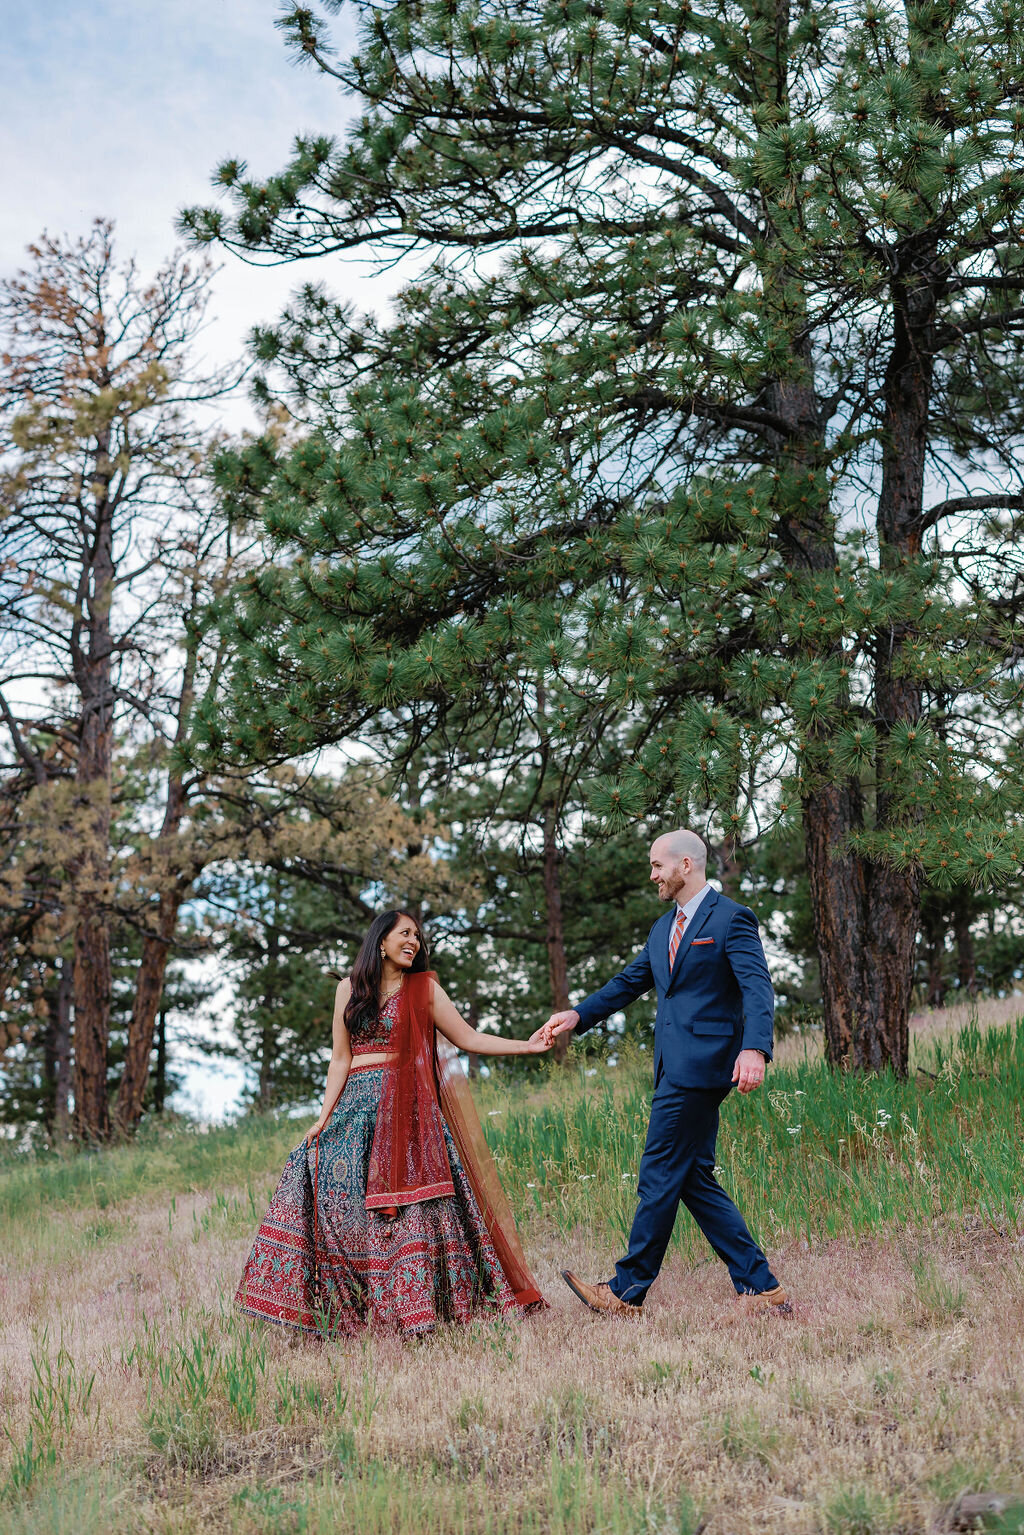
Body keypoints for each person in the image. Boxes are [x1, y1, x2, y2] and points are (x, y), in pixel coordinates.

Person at [237, 910, 550, 1338]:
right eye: (405, 934)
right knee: (322, 1187)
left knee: (413, 1213)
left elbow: (470, 1038)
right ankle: (351, 1307)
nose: (414, 942)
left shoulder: (424, 989)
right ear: (380, 941)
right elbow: (340, 1058)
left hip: (408, 1115)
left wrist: (527, 1047)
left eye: (417, 937)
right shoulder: (348, 990)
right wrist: (323, 1117)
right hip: (355, 1112)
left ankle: (419, 1308)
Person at [534, 829, 789, 1321]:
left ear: (686, 865)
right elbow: (630, 982)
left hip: (706, 1066)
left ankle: (626, 1290)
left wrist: (755, 1048)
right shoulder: (661, 929)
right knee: (692, 1176)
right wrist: (577, 1016)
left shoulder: (732, 919)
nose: (652, 874)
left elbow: (758, 988)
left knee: (657, 1171)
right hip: (672, 1066)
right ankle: (761, 1285)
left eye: (657, 865)